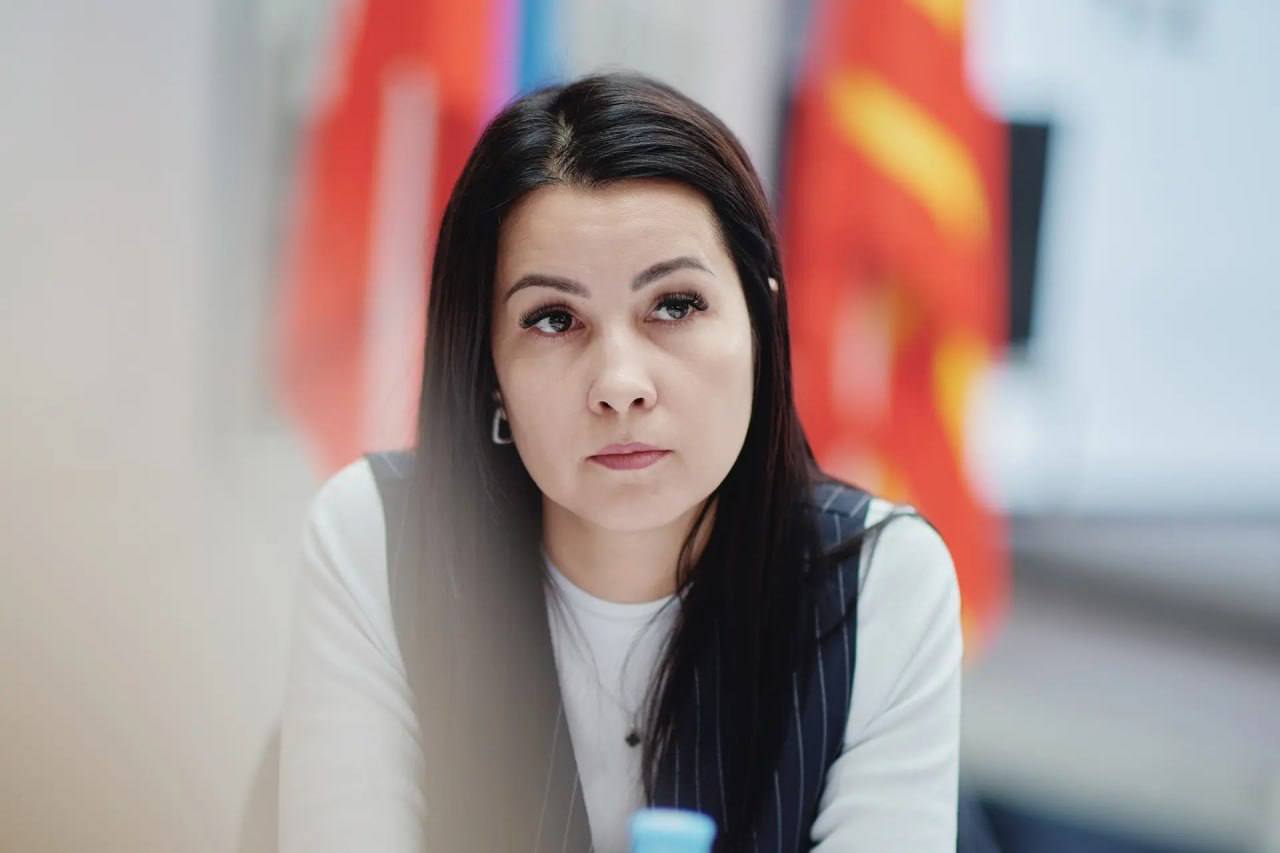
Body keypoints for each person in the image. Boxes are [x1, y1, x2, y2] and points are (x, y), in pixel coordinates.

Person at [278, 72, 964, 852]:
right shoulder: (377, 541)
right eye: (553, 318)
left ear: (761, 320)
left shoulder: (881, 583)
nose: (619, 384)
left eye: (674, 304)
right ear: (488, 366)